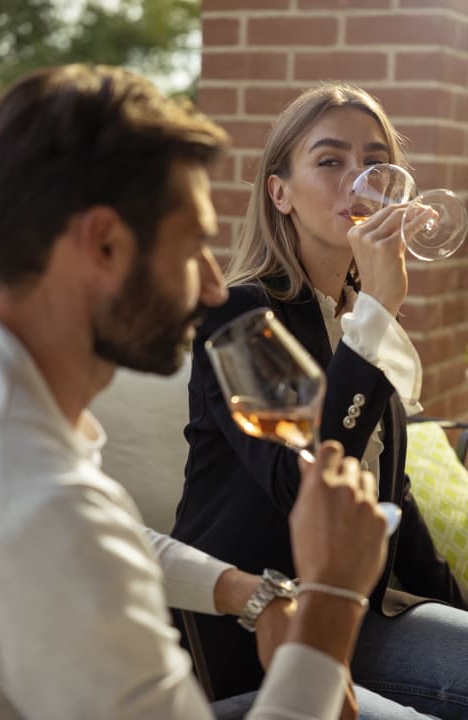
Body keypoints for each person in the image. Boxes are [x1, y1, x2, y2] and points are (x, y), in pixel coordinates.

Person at [0, 64, 392, 720]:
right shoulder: (40, 502)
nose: (210, 287)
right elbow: (73, 529)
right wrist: (333, 600)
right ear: (105, 244)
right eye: (194, 245)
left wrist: (247, 592)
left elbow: (111, 532)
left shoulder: (17, 419)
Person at [172, 83, 468, 717]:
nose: (358, 180)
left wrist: (458, 608)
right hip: (265, 626)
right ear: (280, 193)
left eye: (374, 163)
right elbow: (303, 479)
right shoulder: (240, 315)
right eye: (330, 160)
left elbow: (389, 493)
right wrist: (379, 309)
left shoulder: (361, 317)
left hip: (365, 611)